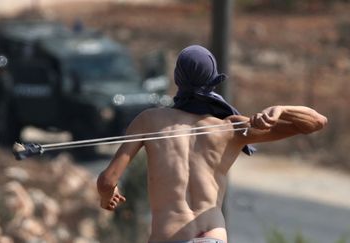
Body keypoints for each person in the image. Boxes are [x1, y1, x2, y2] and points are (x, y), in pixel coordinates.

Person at [96, 45, 327, 243]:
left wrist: (108, 197)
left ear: (177, 79)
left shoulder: (149, 120)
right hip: (212, 236)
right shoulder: (230, 129)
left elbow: (107, 181)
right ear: (213, 80)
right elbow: (316, 122)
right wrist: (282, 110)